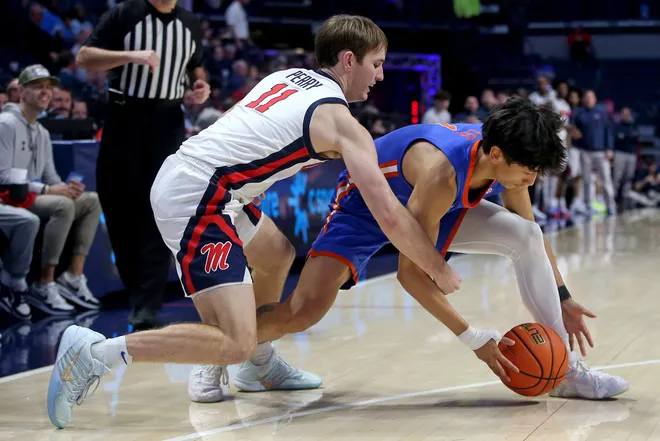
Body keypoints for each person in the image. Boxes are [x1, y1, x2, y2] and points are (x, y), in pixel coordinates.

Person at [48, 14, 463, 429]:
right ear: (350, 60)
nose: (381, 75)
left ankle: (258, 366)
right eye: (377, 63)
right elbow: (388, 214)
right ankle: (95, 354)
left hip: (208, 182)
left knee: (277, 253)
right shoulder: (341, 122)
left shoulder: (288, 77)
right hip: (199, 195)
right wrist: (436, 266)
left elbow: (249, 132)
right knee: (233, 340)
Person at [255, 98, 629, 400]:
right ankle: (227, 348)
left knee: (525, 236)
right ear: (496, 154)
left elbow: (534, 232)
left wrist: (562, 296)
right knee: (302, 312)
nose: (531, 180)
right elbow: (411, 274)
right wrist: (473, 337)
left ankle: (565, 370)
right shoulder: (443, 174)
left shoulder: (508, 156)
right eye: (529, 171)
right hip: (364, 207)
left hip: (432, 206)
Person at [77, 0, 210, 329]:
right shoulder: (126, 14)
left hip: (167, 120)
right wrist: (130, 56)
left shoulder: (190, 23)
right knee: (117, 204)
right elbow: (84, 58)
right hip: (124, 116)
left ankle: (146, 304)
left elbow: (196, 65)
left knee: (159, 205)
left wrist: (199, 84)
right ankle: (136, 290)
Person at [0, 65, 102, 315]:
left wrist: (68, 187)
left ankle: (73, 277)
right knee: (62, 205)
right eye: (38, 87)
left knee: (90, 201)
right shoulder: (6, 124)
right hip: (11, 197)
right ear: (21, 92)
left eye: (48, 87)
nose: (45, 92)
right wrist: (50, 189)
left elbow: (51, 176)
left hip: (34, 194)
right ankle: (45, 283)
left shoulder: (42, 131)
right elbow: (3, 176)